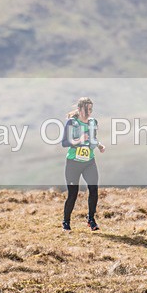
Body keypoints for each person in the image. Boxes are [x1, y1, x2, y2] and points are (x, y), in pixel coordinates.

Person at [61, 97, 106, 231]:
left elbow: (93, 138)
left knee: (93, 190)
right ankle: (66, 222)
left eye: (91, 109)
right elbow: (64, 143)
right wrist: (79, 140)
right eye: (87, 109)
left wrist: (99, 145)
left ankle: (91, 220)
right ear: (80, 109)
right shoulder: (72, 123)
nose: (89, 112)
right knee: (73, 194)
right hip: (73, 163)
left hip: (89, 162)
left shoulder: (93, 122)